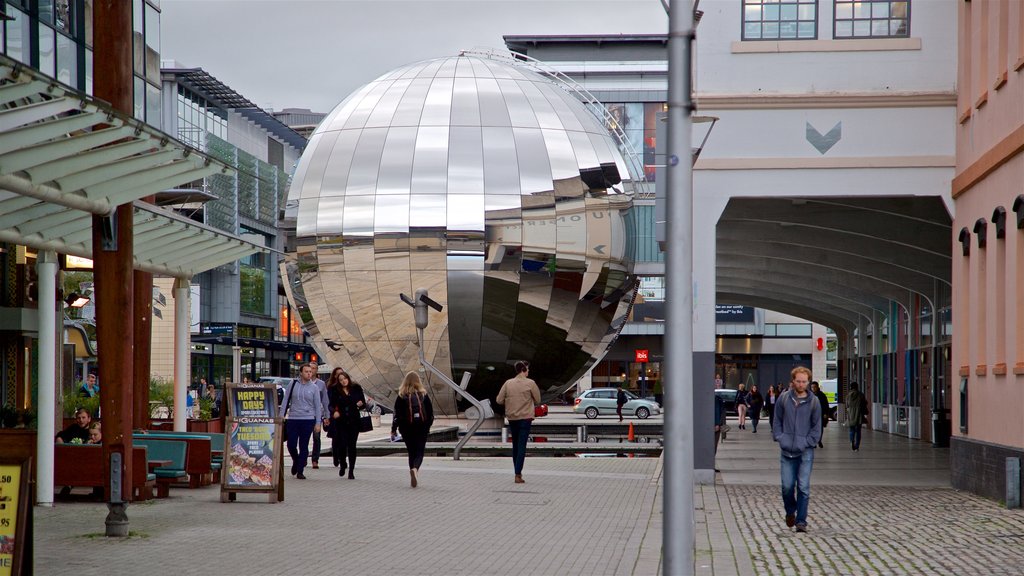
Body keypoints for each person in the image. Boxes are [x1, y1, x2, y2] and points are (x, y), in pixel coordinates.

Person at [772, 366, 822, 533]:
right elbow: (776, 419)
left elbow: (817, 426)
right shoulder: (784, 399)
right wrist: (780, 436)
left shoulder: (814, 402)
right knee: (787, 486)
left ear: (808, 382)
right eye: (798, 381)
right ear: (793, 381)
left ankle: (801, 520)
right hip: (786, 450)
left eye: (804, 381)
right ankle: (790, 511)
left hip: (805, 450)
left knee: (803, 487)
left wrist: (808, 442)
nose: (801, 384)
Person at [496, 360, 540, 484]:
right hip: (525, 418)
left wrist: (510, 401)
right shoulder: (530, 383)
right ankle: (518, 474)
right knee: (522, 446)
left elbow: (499, 400)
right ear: (523, 370)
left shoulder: (508, 383)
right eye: (528, 369)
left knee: (515, 445)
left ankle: (517, 472)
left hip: (512, 418)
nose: (529, 371)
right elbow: (538, 400)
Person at [279, 363, 323, 480]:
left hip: (308, 419)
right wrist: (281, 416)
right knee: (291, 444)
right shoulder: (293, 384)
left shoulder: (314, 388)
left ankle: (300, 470)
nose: (309, 373)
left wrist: (318, 423)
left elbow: (318, 406)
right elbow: (285, 400)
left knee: (303, 445)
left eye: (310, 371)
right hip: (293, 418)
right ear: (301, 373)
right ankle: (296, 460)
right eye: (306, 371)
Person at [391, 371, 434, 488]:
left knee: (411, 452)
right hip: (421, 427)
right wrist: (427, 426)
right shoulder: (423, 395)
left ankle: (412, 472)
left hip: (406, 428)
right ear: (418, 381)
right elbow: (430, 414)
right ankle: (415, 470)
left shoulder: (401, 396)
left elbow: (396, 415)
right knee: (419, 452)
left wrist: (393, 429)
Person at [326, 368, 365, 479]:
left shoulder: (356, 388)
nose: (343, 381)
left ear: (348, 379)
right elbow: (331, 405)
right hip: (341, 421)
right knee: (342, 445)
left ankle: (351, 470)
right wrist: (335, 412)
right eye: (341, 379)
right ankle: (342, 464)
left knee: (352, 446)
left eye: (345, 379)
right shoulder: (335, 390)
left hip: (354, 421)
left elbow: (363, 404)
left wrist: (360, 404)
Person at [308, 361, 329, 470]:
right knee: (304, 438)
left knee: (316, 437)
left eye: (314, 368)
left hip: (317, 415)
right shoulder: (300, 382)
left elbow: (325, 401)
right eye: (310, 368)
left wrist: (326, 416)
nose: (312, 370)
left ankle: (315, 459)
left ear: (317, 370)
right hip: (304, 415)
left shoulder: (321, 384)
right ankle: (302, 457)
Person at [846, 382, 869, 452]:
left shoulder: (848, 395)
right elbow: (864, 404)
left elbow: (847, 405)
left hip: (851, 414)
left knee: (851, 429)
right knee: (858, 430)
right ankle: (857, 445)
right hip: (859, 414)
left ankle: (851, 440)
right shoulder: (861, 395)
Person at [810, 381, 830, 448]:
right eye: (812, 387)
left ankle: (819, 440)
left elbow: (826, 405)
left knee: (820, 428)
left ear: (817, 387)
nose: (813, 389)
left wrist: (825, 413)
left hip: (820, 414)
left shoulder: (822, 395)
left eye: (814, 387)